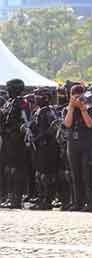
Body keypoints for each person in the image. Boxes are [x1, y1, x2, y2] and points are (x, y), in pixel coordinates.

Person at [62, 85, 92, 212]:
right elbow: (67, 124)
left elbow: (90, 124)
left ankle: (90, 204)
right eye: (74, 95)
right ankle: (77, 203)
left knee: (86, 174)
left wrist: (83, 109)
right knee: (75, 175)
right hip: (72, 144)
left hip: (86, 144)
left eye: (79, 95)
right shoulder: (67, 109)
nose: (76, 98)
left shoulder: (89, 109)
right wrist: (71, 108)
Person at [26, 88, 59, 210]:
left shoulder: (48, 112)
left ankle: (47, 199)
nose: (35, 98)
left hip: (47, 147)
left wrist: (40, 137)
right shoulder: (39, 111)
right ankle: (41, 198)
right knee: (38, 174)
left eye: (38, 96)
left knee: (46, 175)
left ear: (45, 98)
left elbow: (53, 128)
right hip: (39, 147)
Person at [0, 79, 29, 209]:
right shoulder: (9, 103)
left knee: (17, 169)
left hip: (16, 140)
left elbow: (25, 121)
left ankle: (17, 197)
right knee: (8, 169)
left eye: (9, 88)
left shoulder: (21, 103)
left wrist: (16, 131)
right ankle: (9, 195)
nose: (7, 90)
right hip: (7, 139)